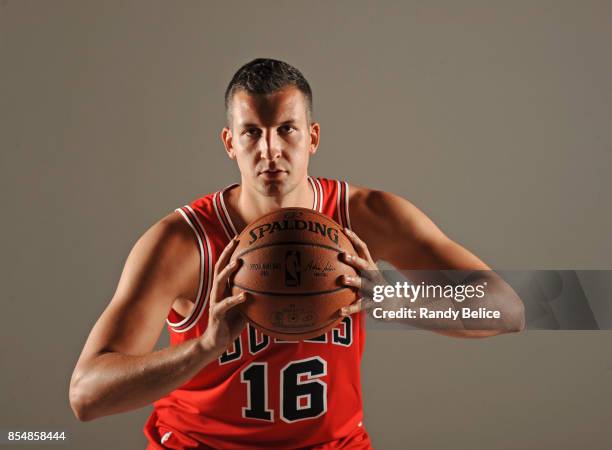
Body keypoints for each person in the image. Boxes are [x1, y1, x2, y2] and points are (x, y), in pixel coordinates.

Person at [69, 58, 525, 449]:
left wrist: (390, 300)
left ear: (313, 137)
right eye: (252, 132)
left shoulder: (364, 217)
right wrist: (203, 349)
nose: (270, 150)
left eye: (287, 129)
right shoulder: (182, 242)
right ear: (230, 143)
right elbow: (87, 394)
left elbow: (508, 309)